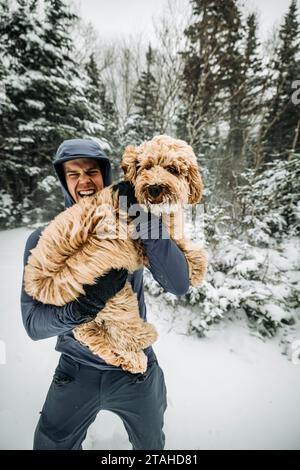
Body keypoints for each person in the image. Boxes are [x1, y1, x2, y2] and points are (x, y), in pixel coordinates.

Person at [21, 138, 190, 450]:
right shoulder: (44, 240)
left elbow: (178, 283)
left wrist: (142, 218)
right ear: (63, 181)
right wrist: (81, 307)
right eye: (73, 173)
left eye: (93, 171)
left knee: (151, 444)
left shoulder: (136, 222)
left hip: (137, 367)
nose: (84, 180)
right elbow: (33, 325)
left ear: (106, 175)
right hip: (76, 368)